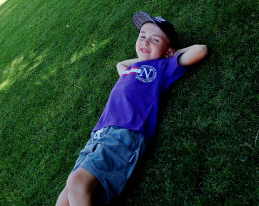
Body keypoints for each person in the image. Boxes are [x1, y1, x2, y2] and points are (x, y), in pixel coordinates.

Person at [56, 11, 208, 206]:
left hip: (126, 131)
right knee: (65, 199)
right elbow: (120, 64)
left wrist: (170, 54)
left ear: (169, 51)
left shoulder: (163, 67)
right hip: (99, 134)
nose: (146, 42)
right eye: (142, 36)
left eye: (155, 40)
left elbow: (200, 50)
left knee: (77, 182)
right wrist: (148, 56)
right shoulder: (131, 69)